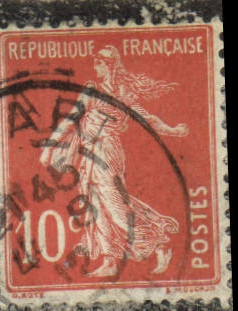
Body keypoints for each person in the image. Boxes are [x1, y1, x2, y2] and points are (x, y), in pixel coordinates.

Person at [40, 46, 189, 277]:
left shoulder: (124, 95)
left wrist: (172, 130)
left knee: (116, 208)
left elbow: (146, 118)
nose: (96, 68)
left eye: (99, 64)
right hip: (89, 154)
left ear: (109, 65)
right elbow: (72, 119)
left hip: (108, 152)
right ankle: (110, 261)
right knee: (96, 206)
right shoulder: (92, 89)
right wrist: (50, 147)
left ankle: (158, 244)